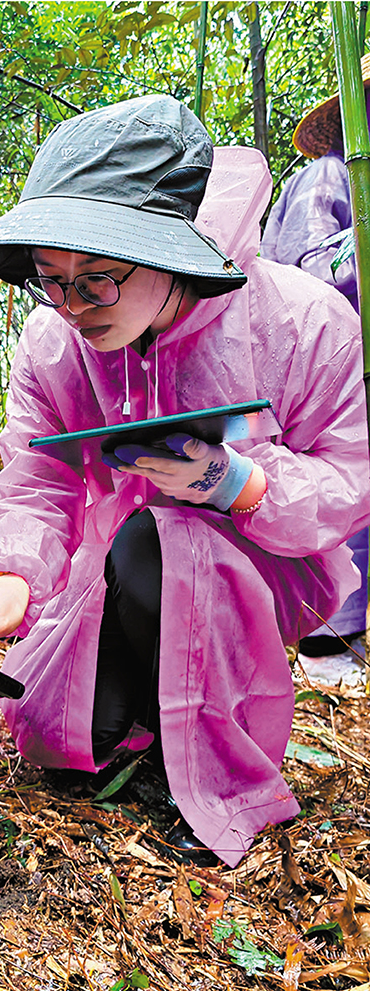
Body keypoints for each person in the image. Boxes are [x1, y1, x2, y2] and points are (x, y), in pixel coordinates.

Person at [0, 95, 370, 867]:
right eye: (52, 280)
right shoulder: (53, 342)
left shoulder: (301, 323)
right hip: (106, 576)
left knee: (164, 538)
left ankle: (217, 777)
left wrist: (238, 482)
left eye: (99, 280)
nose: (74, 307)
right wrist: (9, 577)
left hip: (260, 573)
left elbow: (349, 479)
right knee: (68, 743)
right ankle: (145, 723)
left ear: (172, 252)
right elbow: (39, 475)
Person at [261, 57, 370, 681]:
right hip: (329, 374)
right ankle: (331, 647)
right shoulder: (328, 177)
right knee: (339, 492)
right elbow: (312, 274)